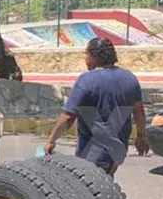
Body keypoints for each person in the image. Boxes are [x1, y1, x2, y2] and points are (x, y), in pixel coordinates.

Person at [44, 37, 150, 175]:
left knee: (89, 188)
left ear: (94, 56)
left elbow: (69, 117)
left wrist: (51, 140)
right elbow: (139, 112)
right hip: (118, 150)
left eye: (86, 54)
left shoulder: (87, 80)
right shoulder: (129, 78)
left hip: (94, 151)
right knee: (106, 182)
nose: (85, 58)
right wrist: (141, 136)